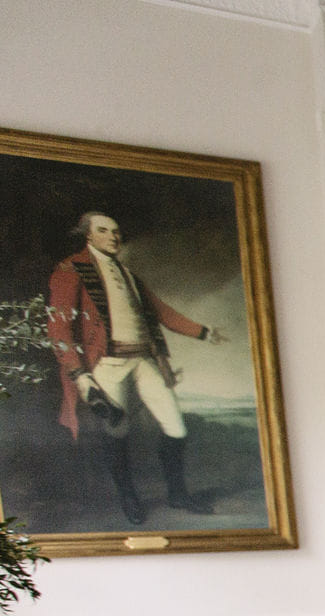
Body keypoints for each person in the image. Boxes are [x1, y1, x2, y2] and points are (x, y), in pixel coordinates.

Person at [45, 211, 219, 523]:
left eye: (116, 231)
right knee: (117, 430)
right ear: (88, 236)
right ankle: (129, 498)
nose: (113, 237)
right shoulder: (70, 270)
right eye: (104, 231)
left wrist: (203, 332)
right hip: (106, 364)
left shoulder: (127, 273)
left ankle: (178, 494)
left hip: (143, 359)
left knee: (175, 426)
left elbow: (161, 311)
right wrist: (80, 374)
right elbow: (58, 329)